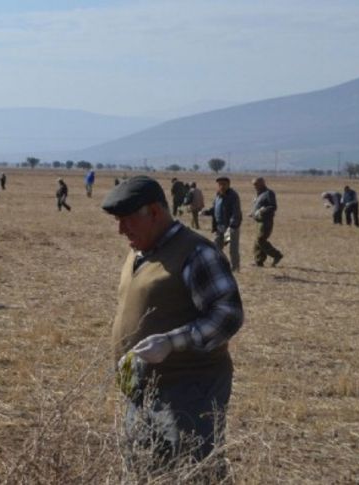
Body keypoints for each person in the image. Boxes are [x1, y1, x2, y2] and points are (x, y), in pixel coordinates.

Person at [101, 175, 243, 469]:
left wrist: (171, 341)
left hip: (188, 393)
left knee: (190, 469)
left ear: (154, 212)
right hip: (143, 389)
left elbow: (227, 315)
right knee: (145, 468)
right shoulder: (140, 251)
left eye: (126, 220)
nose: (120, 230)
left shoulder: (197, 253)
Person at [209, 177, 242, 271]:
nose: (221, 186)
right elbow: (214, 209)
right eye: (220, 184)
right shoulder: (218, 195)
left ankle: (235, 268)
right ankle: (218, 265)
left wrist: (232, 226)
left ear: (228, 184)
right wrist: (207, 211)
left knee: (233, 249)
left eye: (224, 184)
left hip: (231, 228)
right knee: (216, 247)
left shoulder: (233, 196)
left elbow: (236, 212)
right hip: (220, 227)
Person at [250, 177, 283, 267]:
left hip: (266, 221)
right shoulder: (259, 194)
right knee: (257, 241)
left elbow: (273, 206)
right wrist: (253, 213)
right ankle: (259, 261)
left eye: (256, 184)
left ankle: (277, 255)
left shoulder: (269, 193)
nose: (255, 186)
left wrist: (262, 211)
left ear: (262, 183)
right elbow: (258, 206)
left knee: (260, 240)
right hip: (258, 221)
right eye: (254, 185)